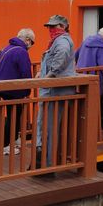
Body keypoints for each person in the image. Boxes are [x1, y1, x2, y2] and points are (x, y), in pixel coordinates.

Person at [37, 15, 76, 169]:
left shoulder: (62, 41)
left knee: (50, 127)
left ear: (63, 26)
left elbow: (61, 57)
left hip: (56, 90)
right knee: (47, 126)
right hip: (54, 89)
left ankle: (47, 165)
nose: (51, 29)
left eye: (54, 26)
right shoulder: (59, 40)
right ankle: (44, 161)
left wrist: (49, 75)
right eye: (49, 27)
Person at [0, 28, 35, 156]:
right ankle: (7, 146)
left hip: (3, 87)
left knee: (13, 115)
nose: (31, 46)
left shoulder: (8, 48)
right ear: (27, 40)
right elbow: (26, 72)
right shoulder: (21, 51)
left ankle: (13, 141)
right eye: (32, 43)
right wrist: (28, 90)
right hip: (14, 89)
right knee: (14, 117)